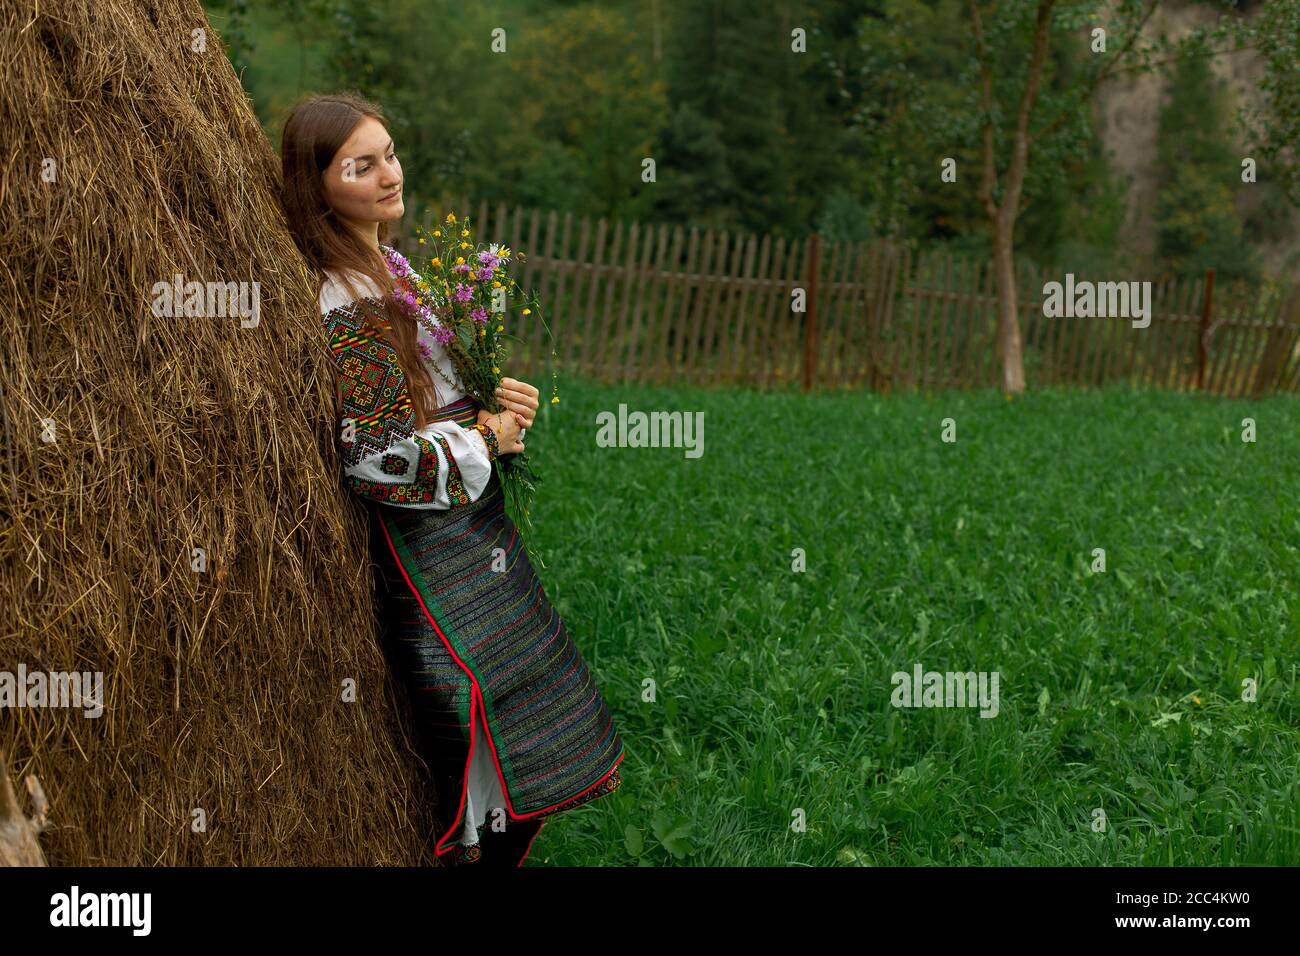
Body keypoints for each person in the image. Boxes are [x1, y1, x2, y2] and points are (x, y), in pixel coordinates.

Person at [280, 91, 625, 867]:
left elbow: (435, 394)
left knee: (536, 719)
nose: (387, 176)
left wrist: (504, 408)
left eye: (390, 154)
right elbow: (375, 459)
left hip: (474, 529)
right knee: (484, 741)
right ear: (318, 185)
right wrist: (483, 438)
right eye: (359, 166)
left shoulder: (392, 266)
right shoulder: (344, 300)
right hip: (429, 550)